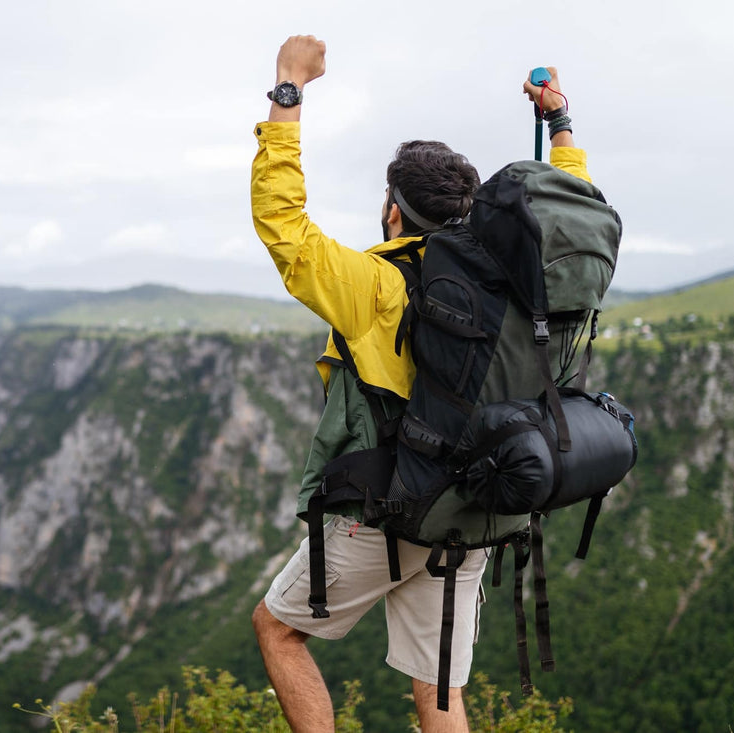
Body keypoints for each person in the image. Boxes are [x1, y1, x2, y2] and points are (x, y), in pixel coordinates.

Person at [249, 35, 591, 733]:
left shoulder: (377, 284)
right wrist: (559, 121)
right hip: (475, 511)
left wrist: (289, 89)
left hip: (390, 511)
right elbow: (571, 212)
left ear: (395, 209)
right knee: (440, 691)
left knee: (278, 630)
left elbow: (283, 227)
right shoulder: (518, 283)